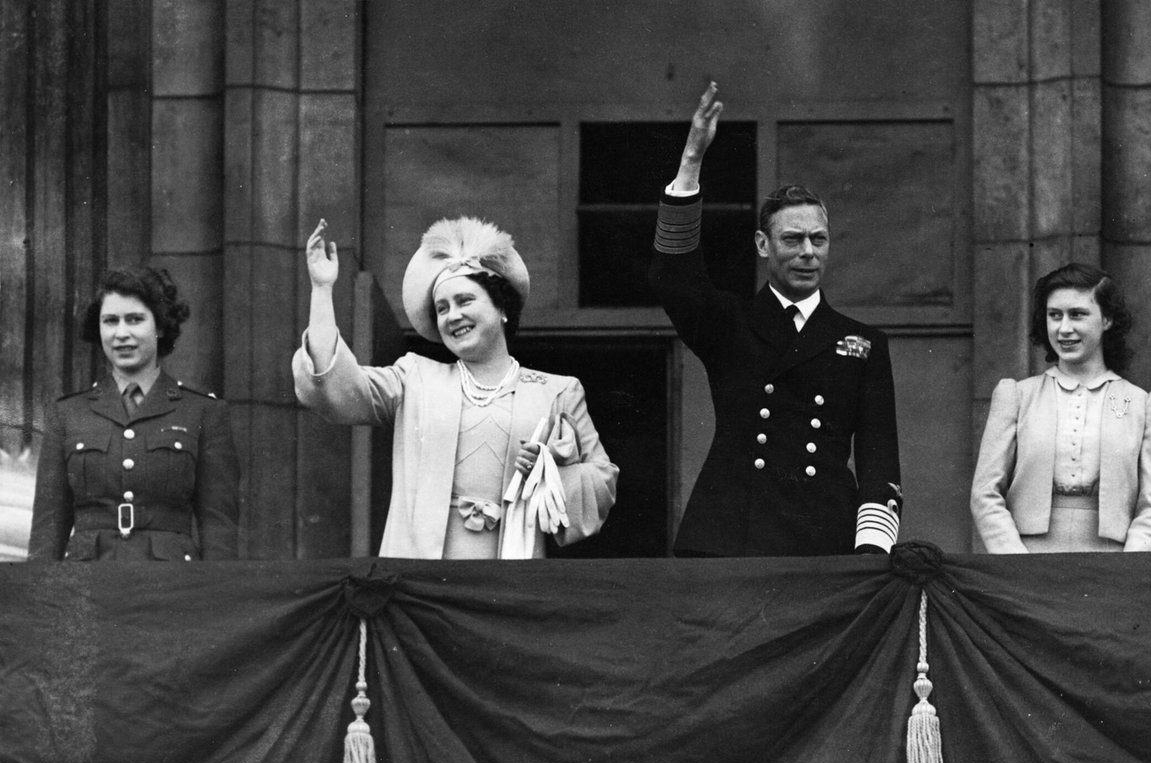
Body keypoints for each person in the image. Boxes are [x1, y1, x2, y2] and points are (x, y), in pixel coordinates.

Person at [649, 82, 902, 557]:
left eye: (819, 240)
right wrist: (691, 161)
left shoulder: (863, 341)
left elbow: (878, 455)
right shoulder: (730, 322)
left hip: (822, 535)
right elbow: (673, 277)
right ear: (764, 246)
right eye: (793, 240)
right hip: (731, 535)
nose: (808, 253)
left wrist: (871, 549)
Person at [293, 218, 617, 558]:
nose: (452, 316)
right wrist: (321, 289)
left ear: (502, 307)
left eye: (464, 301)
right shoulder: (414, 378)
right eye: (442, 308)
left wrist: (549, 471)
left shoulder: (557, 392)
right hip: (422, 580)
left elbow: (601, 482)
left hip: (510, 581)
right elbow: (336, 387)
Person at [29, 268, 240, 561]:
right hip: (88, 587)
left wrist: (215, 601)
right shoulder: (67, 414)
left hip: (170, 587)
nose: (121, 333)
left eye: (135, 319)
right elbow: (47, 530)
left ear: (161, 326)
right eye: (110, 321)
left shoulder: (203, 412)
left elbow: (219, 527)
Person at [971, 263, 1151, 552]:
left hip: (1112, 566)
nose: (1064, 328)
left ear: (1107, 320)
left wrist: (1128, 572)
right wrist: (1014, 561)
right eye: (1055, 316)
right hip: (1025, 561)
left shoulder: (1145, 406)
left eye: (1077, 315)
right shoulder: (1016, 396)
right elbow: (985, 494)